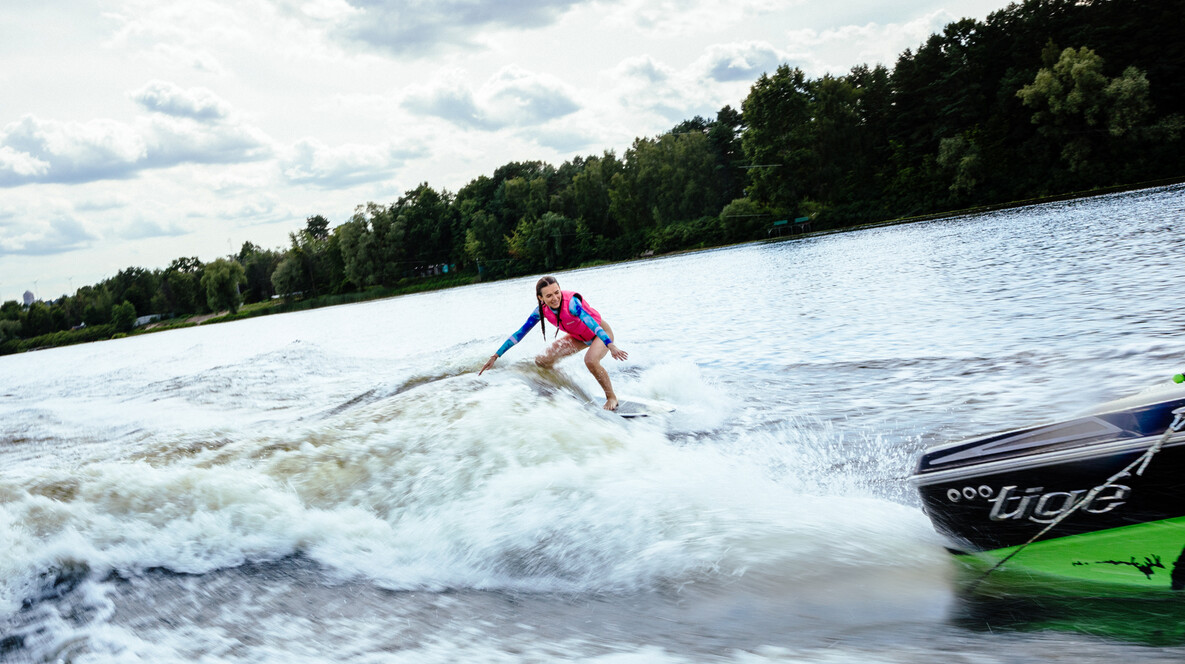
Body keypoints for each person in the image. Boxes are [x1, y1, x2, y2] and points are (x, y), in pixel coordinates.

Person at [479, 276, 628, 410]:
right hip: (578, 336)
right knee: (542, 360)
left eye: (557, 292)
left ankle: (611, 397)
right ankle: (562, 384)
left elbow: (593, 325)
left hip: (601, 334)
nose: (555, 298)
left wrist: (611, 345)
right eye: (549, 295)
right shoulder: (540, 311)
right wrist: (496, 355)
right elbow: (519, 334)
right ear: (540, 298)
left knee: (590, 360)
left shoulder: (572, 304)